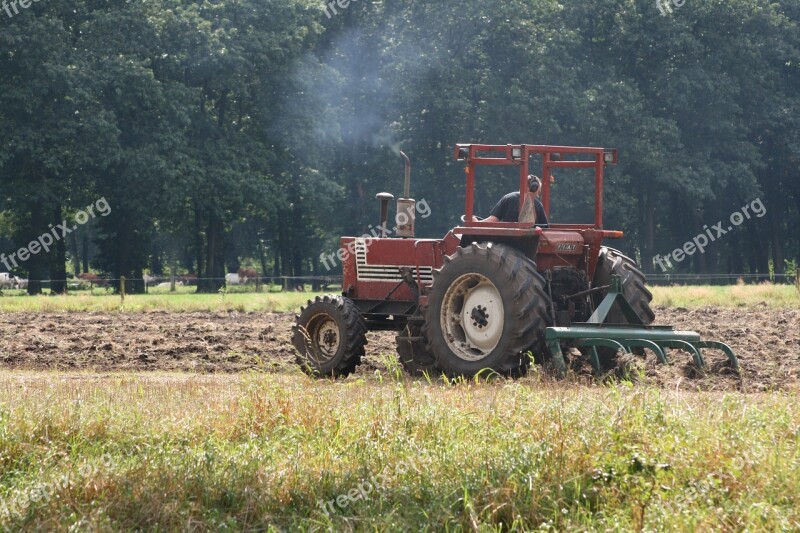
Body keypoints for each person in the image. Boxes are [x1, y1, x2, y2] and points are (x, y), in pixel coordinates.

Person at [484, 174, 549, 227]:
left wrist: (476, 222)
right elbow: (545, 228)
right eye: (538, 192)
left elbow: (492, 220)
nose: (538, 196)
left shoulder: (508, 198)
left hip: (506, 240)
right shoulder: (538, 205)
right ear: (533, 188)